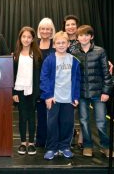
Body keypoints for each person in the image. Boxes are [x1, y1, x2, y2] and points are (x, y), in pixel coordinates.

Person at [71, 25, 114, 158]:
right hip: (82, 94)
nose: (83, 37)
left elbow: (106, 73)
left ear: (91, 36)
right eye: (81, 35)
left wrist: (106, 92)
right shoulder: (74, 54)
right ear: (77, 37)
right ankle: (88, 146)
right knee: (84, 121)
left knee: (101, 122)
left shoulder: (100, 51)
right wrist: (75, 95)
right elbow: (74, 77)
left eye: (86, 35)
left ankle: (106, 147)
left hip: (98, 94)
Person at [40, 31, 81, 160]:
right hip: (54, 98)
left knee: (67, 123)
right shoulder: (50, 59)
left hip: (68, 99)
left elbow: (78, 80)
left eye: (64, 42)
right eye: (58, 43)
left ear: (68, 44)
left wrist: (76, 96)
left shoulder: (74, 60)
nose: (61, 45)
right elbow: (44, 78)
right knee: (52, 124)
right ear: (54, 45)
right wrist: (48, 96)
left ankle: (64, 147)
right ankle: (52, 148)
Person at [12, 26, 42, 155]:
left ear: (33, 39)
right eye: (24, 36)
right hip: (19, 90)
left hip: (32, 90)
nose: (26, 39)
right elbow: (12, 74)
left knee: (31, 117)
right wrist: (13, 92)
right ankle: (23, 142)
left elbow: (39, 75)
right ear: (20, 38)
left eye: (29, 37)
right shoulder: (15, 55)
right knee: (22, 117)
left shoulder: (36, 54)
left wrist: (37, 92)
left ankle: (31, 143)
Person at [62, 15, 83, 148]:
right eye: (67, 24)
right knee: (69, 112)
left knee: (83, 110)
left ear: (77, 26)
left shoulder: (83, 40)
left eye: (73, 24)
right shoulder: (61, 40)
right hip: (65, 81)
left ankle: (81, 139)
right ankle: (68, 138)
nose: (70, 27)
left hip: (81, 78)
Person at [35, 17, 56, 148]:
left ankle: (53, 142)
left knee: (53, 117)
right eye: (43, 28)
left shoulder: (56, 44)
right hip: (38, 86)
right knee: (41, 116)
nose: (45, 31)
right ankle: (41, 141)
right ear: (39, 30)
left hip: (53, 87)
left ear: (52, 30)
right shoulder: (34, 44)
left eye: (48, 29)